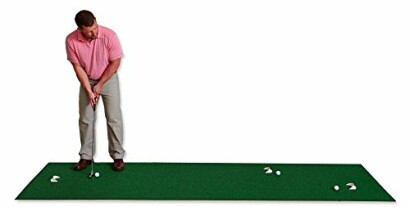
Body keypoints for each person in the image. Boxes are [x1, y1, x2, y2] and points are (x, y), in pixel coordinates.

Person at [65, 10, 126, 171]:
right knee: (86, 119)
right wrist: (89, 89)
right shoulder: (71, 40)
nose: (93, 33)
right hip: (87, 79)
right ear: (80, 29)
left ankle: (117, 155)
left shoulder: (109, 36)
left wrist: (99, 85)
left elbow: (115, 62)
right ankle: (85, 156)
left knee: (114, 118)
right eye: (88, 31)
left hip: (109, 78)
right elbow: (77, 68)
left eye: (95, 28)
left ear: (96, 21)